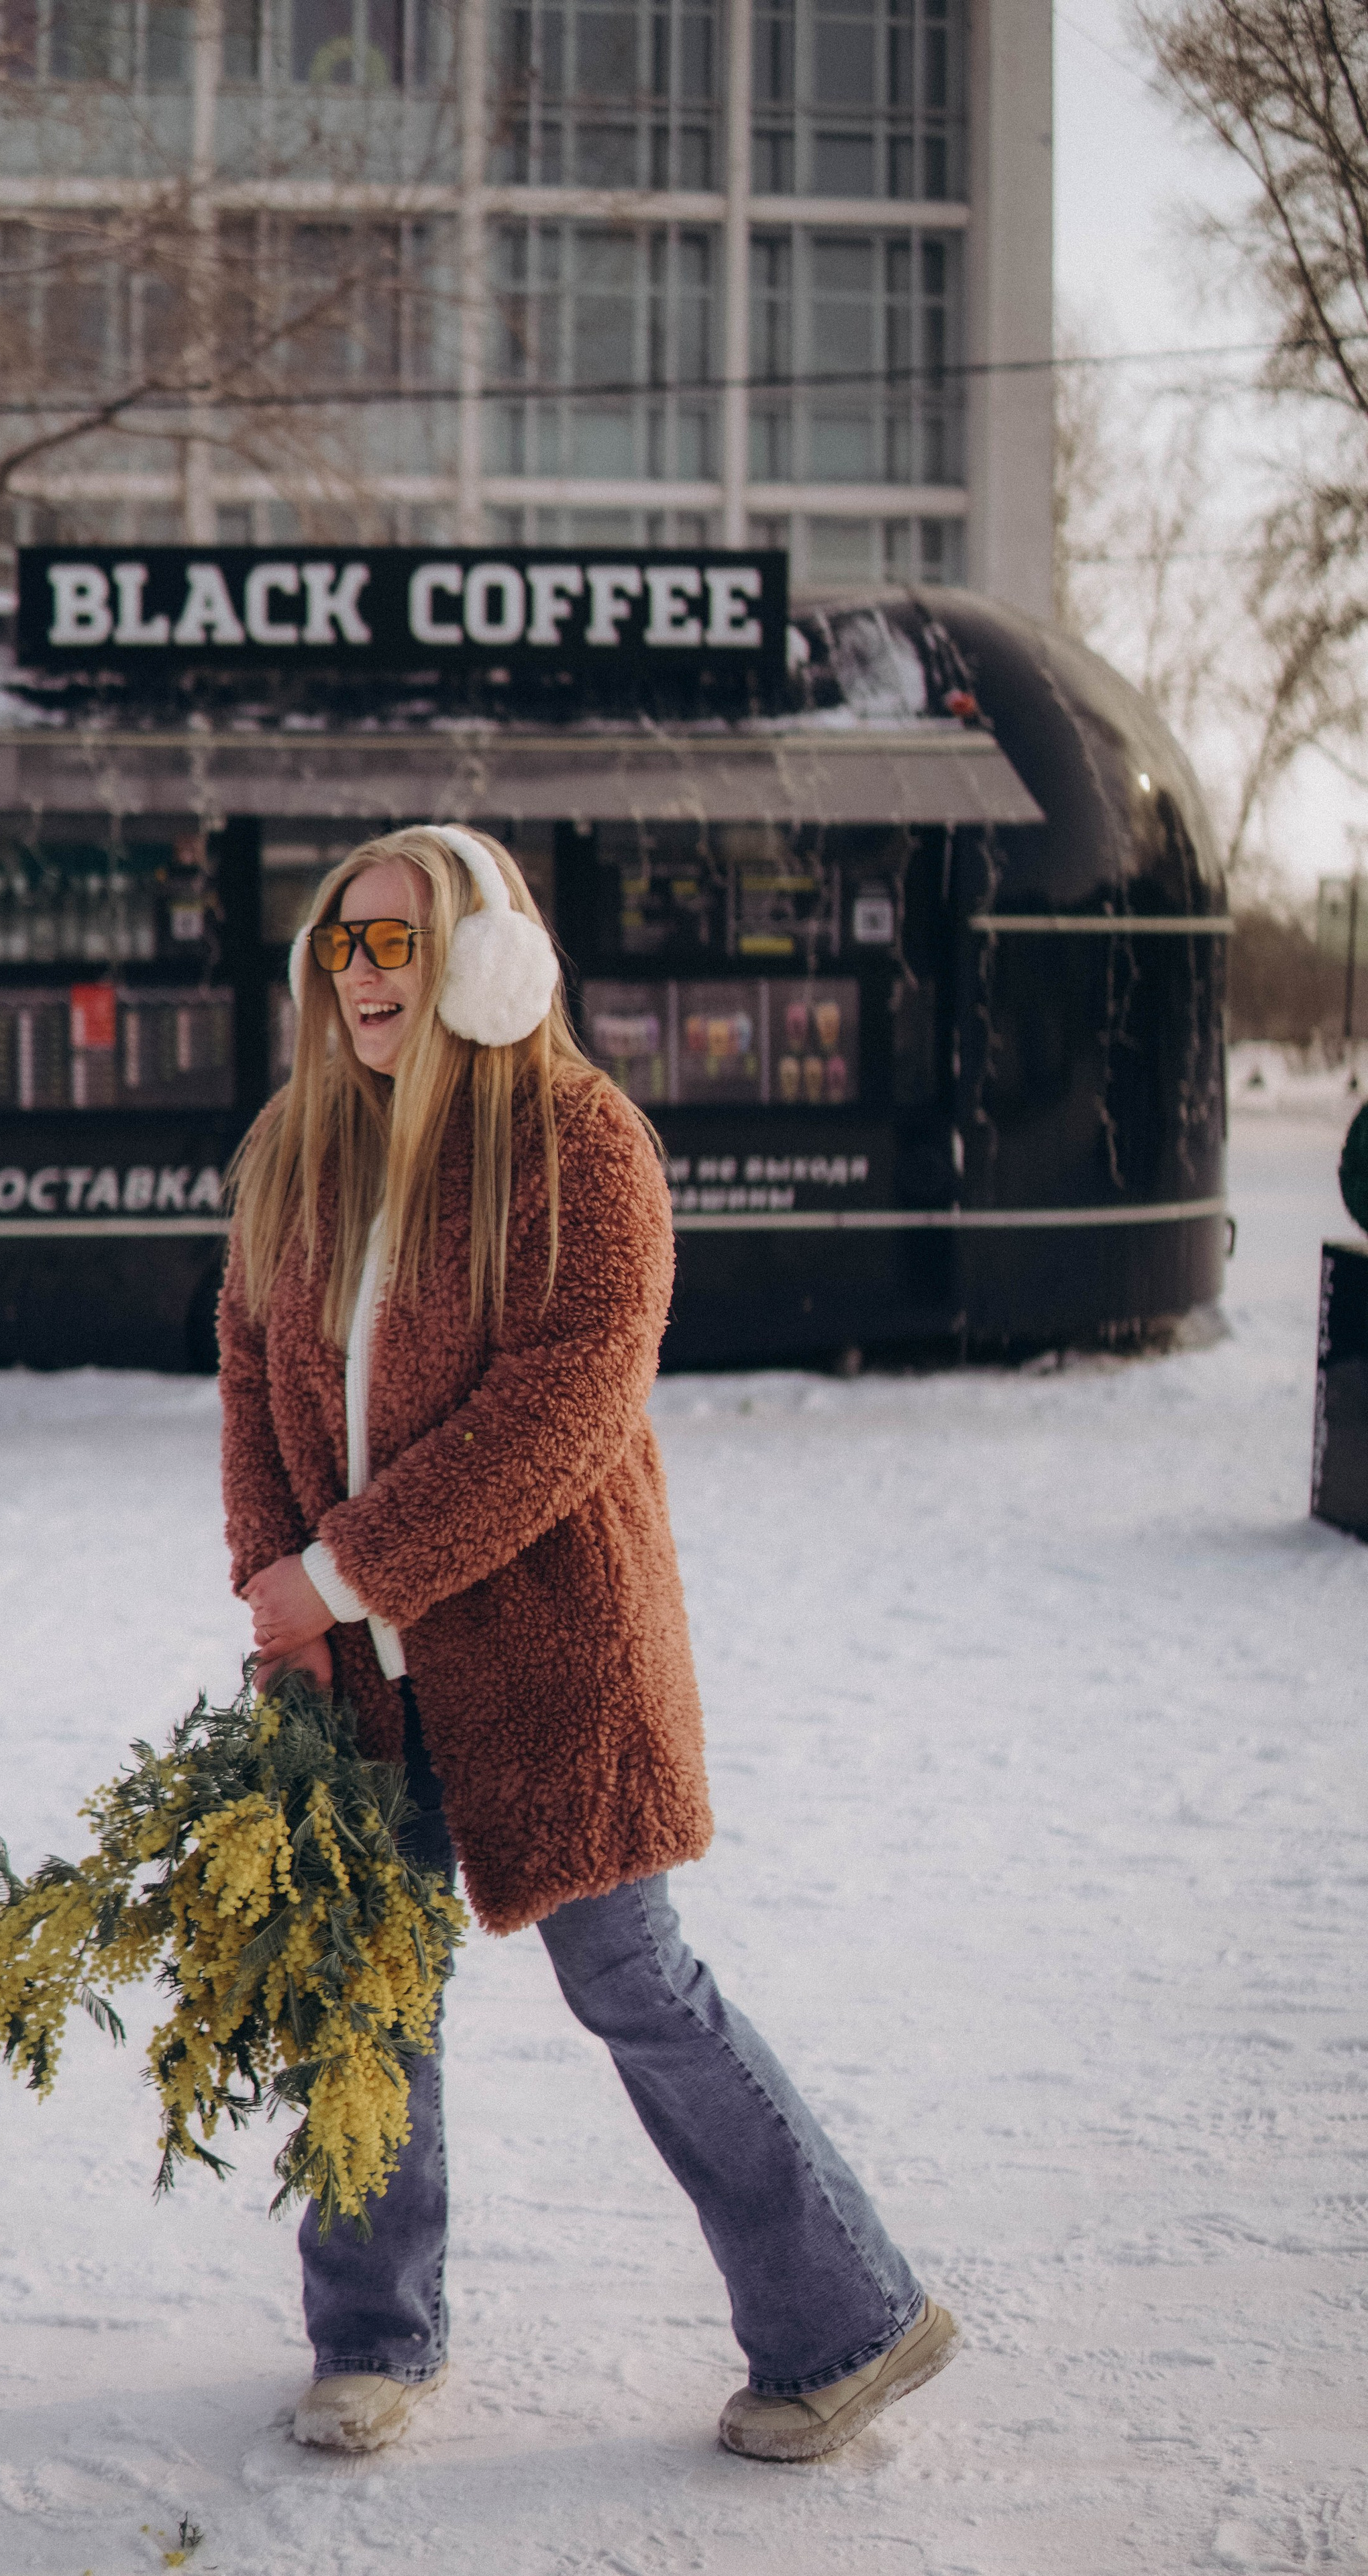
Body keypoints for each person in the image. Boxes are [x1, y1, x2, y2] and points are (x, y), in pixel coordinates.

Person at [217, 823, 957, 2462]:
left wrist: (338, 1569)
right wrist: (282, 1595)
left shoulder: (579, 1145)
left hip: (555, 1662)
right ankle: (371, 2334)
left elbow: (557, 1413)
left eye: (398, 943)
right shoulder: (295, 1152)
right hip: (353, 1677)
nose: (361, 972)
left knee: (634, 1980)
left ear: (489, 960)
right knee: (366, 1993)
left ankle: (847, 2322)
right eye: (342, 943)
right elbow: (251, 1399)